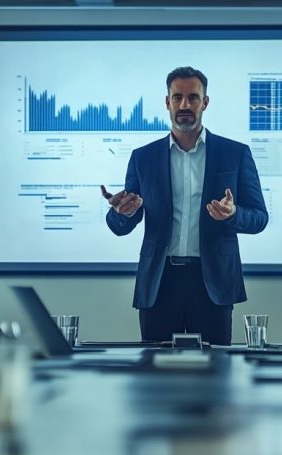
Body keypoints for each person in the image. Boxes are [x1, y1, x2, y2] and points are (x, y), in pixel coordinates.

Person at [101, 66, 268, 345]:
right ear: (167, 102)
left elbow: (259, 217)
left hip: (212, 283)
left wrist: (233, 213)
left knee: (216, 377)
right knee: (154, 374)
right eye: (177, 97)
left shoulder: (235, 154)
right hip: (159, 283)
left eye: (193, 97)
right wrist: (121, 213)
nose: (185, 105)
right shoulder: (143, 158)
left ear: (205, 102)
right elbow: (123, 223)